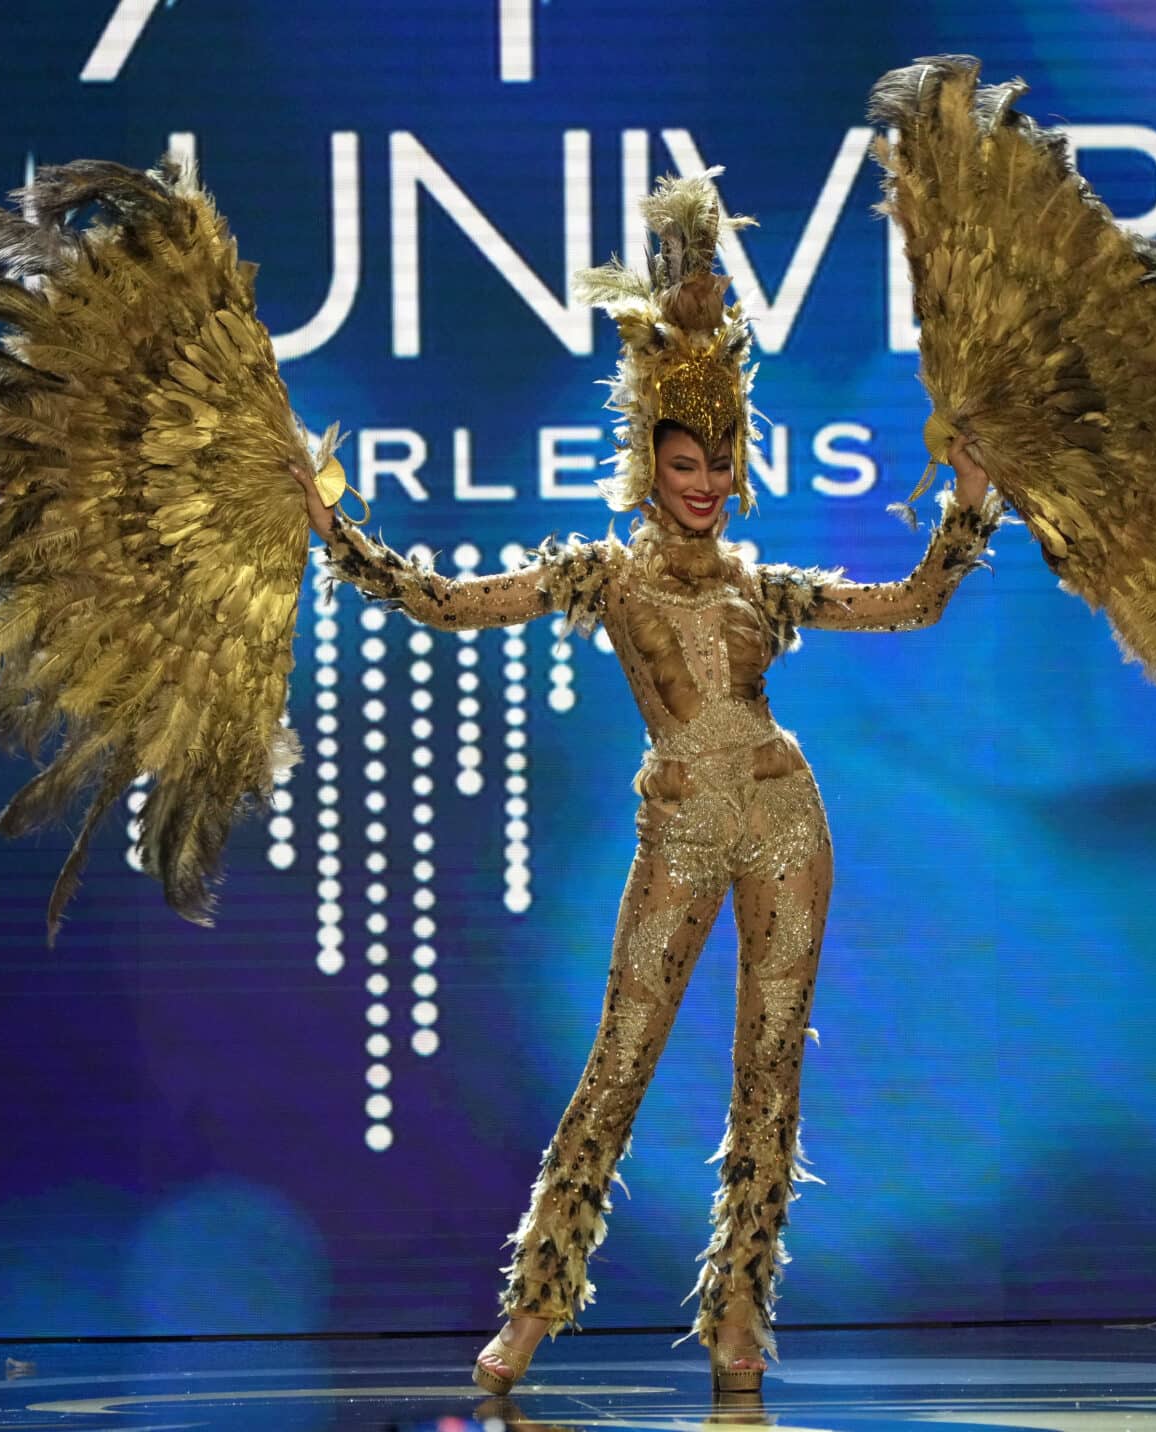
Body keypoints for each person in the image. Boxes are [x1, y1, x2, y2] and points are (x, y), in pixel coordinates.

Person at [298, 172, 1001, 1396]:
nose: (703, 482)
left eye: (718, 463)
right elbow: (445, 601)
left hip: (787, 814)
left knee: (768, 1064)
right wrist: (329, 528)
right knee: (617, 1062)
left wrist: (968, 501)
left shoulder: (762, 588)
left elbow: (913, 603)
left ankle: (739, 1312)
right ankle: (531, 1309)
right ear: (648, 460)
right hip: (677, 826)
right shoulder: (602, 579)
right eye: (683, 461)